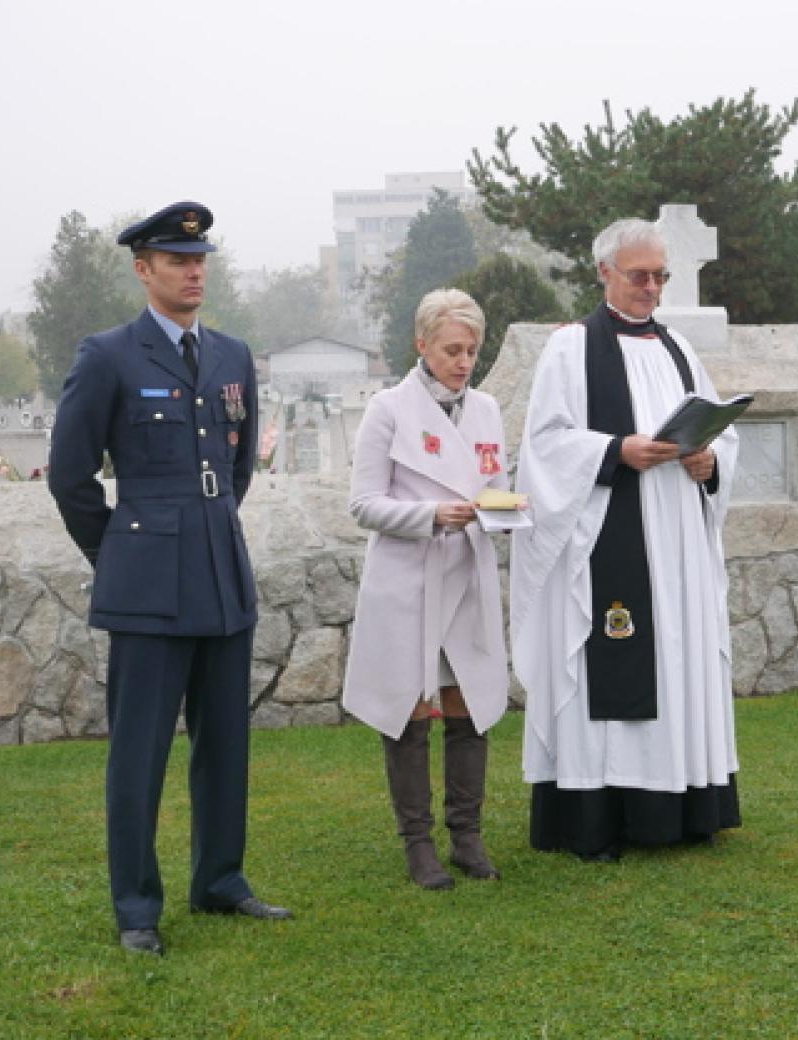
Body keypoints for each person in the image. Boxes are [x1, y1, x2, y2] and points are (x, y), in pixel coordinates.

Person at [47, 201, 290, 956]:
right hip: (148, 585)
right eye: (177, 260)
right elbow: (69, 477)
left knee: (225, 743)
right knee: (141, 751)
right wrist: (123, 550)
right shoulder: (108, 356)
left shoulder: (231, 355)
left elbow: (239, 462)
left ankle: (221, 879)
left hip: (221, 572)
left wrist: (204, 527)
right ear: (142, 268)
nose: (194, 271)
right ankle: (136, 908)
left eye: (200, 259)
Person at [510, 218, 741, 862]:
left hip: (677, 543)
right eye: (639, 275)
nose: (651, 288)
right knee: (612, 660)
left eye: (659, 276)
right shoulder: (571, 348)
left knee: (676, 659)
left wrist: (709, 462)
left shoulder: (678, 351)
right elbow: (545, 446)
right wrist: (617, 449)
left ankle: (680, 807)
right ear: (605, 273)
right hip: (607, 535)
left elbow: (717, 427)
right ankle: (597, 818)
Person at [343, 289, 515, 889]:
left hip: (466, 573)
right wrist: (431, 516)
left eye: (472, 350)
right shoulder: (388, 409)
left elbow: (495, 483)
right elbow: (362, 504)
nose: (463, 361)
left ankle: (467, 836)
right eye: (451, 350)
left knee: (470, 705)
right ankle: (418, 844)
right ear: (422, 345)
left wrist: (504, 508)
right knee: (410, 709)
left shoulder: (488, 409)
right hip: (408, 579)